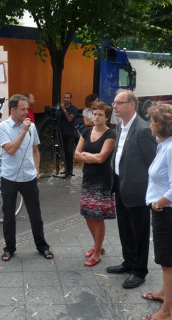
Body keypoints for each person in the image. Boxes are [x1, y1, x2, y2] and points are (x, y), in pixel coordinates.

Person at [106, 89, 157, 289]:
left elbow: (153, 163)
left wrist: (152, 193)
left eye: (119, 103)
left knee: (140, 232)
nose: (114, 106)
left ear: (132, 105)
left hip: (138, 190)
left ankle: (139, 270)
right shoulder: (120, 126)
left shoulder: (143, 130)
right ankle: (128, 262)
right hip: (120, 185)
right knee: (124, 228)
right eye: (114, 102)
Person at [0, 94, 53, 261]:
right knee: (8, 215)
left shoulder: (32, 127)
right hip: (9, 177)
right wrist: (23, 131)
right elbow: (11, 150)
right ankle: (9, 248)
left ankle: (42, 246)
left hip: (28, 177)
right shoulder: (2, 127)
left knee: (35, 214)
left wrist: (36, 169)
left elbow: (36, 149)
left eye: (27, 109)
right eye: (23, 109)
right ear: (13, 110)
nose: (26, 112)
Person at [74, 102, 116, 267]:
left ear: (106, 117)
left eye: (100, 114)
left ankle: (97, 253)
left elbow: (101, 158)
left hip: (102, 180)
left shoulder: (110, 134)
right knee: (87, 213)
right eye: (95, 114)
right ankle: (97, 244)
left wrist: (85, 155)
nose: (97, 117)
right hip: (88, 177)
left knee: (97, 217)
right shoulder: (86, 131)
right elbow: (76, 155)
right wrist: (89, 156)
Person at [141, 104, 172, 320]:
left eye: (152, 121)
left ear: (159, 125)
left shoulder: (170, 148)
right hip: (162, 211)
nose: (149, 124)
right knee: (165, 261)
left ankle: (167, 311)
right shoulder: (163, 144)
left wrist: (158, 204)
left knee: (167, 262)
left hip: (167, 212)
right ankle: (165, 294)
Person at [57, 92, 78, 176]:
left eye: (67, 98)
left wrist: (64, 109)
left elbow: (69, 119)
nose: (65, 99)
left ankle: (70, 170)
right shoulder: (60, 108)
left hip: (70, 133)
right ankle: (66, 169)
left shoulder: (74, 108)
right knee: (64, 152)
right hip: (62, 132)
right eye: (64, 97)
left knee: (69, 151)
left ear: (70, 99)